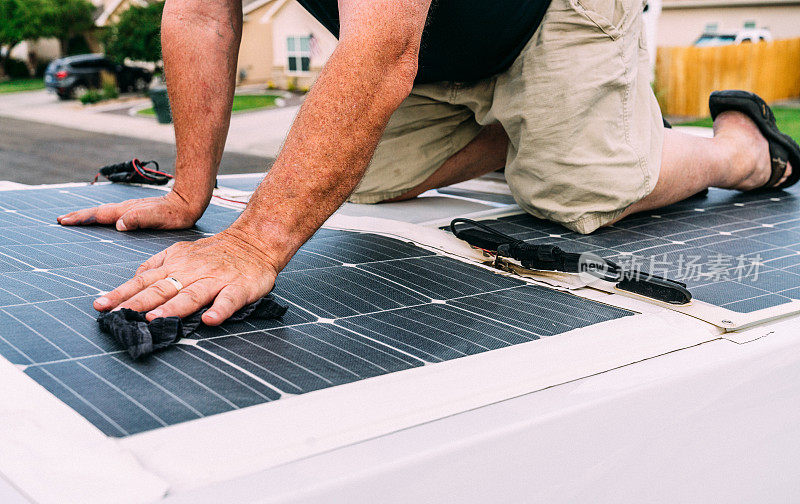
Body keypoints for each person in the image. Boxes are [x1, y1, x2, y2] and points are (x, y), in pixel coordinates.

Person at [58, 0, 796, 326]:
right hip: (445, 44)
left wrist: (255, 243)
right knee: (364, 177)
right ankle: (555, 128)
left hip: (549, 12)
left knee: (578, 190)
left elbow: (382, 46)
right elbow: (198, 13)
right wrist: (191, 192)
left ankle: (742, 148)